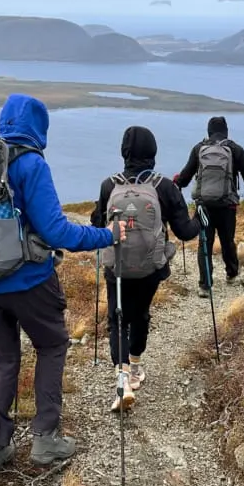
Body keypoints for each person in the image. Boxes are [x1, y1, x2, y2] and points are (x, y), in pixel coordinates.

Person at [0, 94, 123, 479]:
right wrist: (107, 234)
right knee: (51, 346)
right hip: (26, 280)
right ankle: (45, 439)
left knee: (3, 358)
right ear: (39, 127)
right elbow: (55, 231)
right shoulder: (30, 163)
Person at [91, 126, 203, 412]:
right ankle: (136, 366)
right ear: (153, 151)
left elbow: (96, 223)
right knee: (140, 313)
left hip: (116, 265)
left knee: (117, 319)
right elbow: (186, 231)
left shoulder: (109, 185)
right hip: (150, 268)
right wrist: (200, 216)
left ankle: (122, 379)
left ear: (124, 152)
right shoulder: (164, 186)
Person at [174, 116, 244, 298]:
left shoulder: (199, 149)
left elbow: (187, 173)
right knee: (227, 240)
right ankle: (231, 274)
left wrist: (179, 182)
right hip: (227, 204)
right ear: (226, 130)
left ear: (209, 131)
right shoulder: (235, 149)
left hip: (203, 205)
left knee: (205, 242)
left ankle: (205, 285)